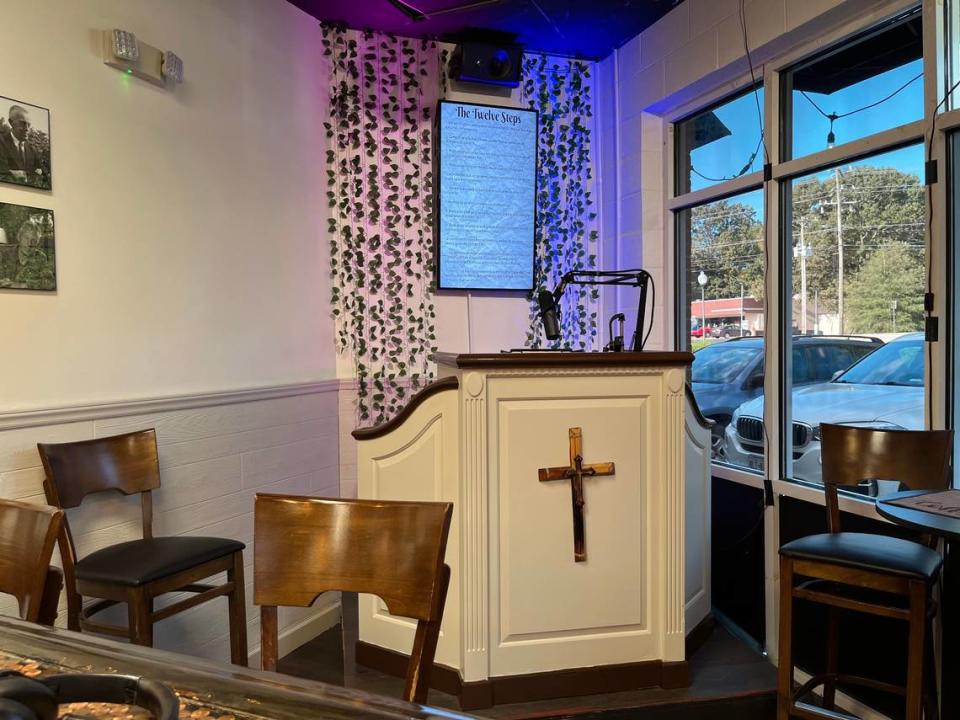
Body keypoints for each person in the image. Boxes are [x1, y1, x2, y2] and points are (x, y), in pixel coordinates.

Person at [0, 105, 41, 185]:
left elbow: (41, 173)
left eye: (29, 125)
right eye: (23, 123)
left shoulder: (32, 150)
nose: (27, 128)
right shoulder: (1, 142)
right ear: (11, 122)